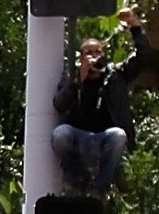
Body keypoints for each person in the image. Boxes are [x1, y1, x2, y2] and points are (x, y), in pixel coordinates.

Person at [50, 39, 131, 196]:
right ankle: (75, 179)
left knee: (119, 135)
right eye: (89, 53)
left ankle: (99, 187)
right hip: (78, 137)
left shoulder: (114, 75)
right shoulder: (72, 76)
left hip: (103, 138)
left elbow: (142, 59)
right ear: (81, 59)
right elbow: (59, 104)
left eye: (97, 52)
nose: (94, 57)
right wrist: (79, 80)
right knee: (60, 134)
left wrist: (135, 27)